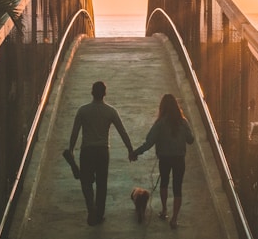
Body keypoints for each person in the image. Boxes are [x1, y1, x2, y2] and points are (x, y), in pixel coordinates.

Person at [68, 81, 134, 226]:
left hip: (87, 150)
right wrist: (130, 149)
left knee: (86, 182)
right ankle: (99, 214)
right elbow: (122, 131)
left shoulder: (83, 110)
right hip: (103, 151)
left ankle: (91, 208)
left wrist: (71, 149)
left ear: (92, 93)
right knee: (101, 183)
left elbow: (75, 133)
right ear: (105, 93)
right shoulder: (110, 111)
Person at [132, 94, 194, 229]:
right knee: (177, 188)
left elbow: (149, 142)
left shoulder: (159, 124)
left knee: (164, 183)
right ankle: (174, 219)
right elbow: (190, 140)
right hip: (179, 158)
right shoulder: (183, 122)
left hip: (164, 158)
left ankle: (164, 210)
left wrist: (135, 153)